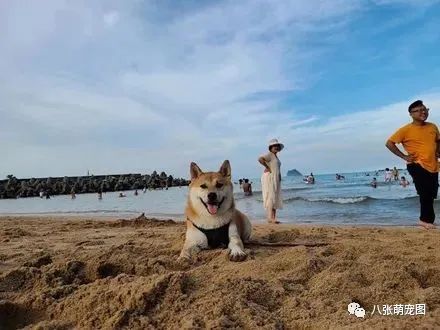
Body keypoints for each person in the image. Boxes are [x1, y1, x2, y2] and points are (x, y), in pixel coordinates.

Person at [386, 100, 439, 229]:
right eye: (419, 110)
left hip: (433, 165)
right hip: (416, 164)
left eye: (425, 109)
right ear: (411, 114)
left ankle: (428, 221)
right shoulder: (406, 130)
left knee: (432, 193)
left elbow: (438, 141)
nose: (423, 112)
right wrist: (404, 156)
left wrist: (437, 152)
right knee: (425, 193)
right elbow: (389, 143)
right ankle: (424, 221)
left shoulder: (432, 126)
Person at [258, 138, 284, 224]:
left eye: (277, 146)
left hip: (275, 178)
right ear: (271, 147)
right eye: (274, 146)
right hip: (270, 177)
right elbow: (260, 159)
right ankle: (269, 218)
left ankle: (273, 217)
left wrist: (279, 176)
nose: (276, 147)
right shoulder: (270, 154)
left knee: (275, 197)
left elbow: (277, 168)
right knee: (271, 197)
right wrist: (267, 167)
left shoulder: (275, 156)